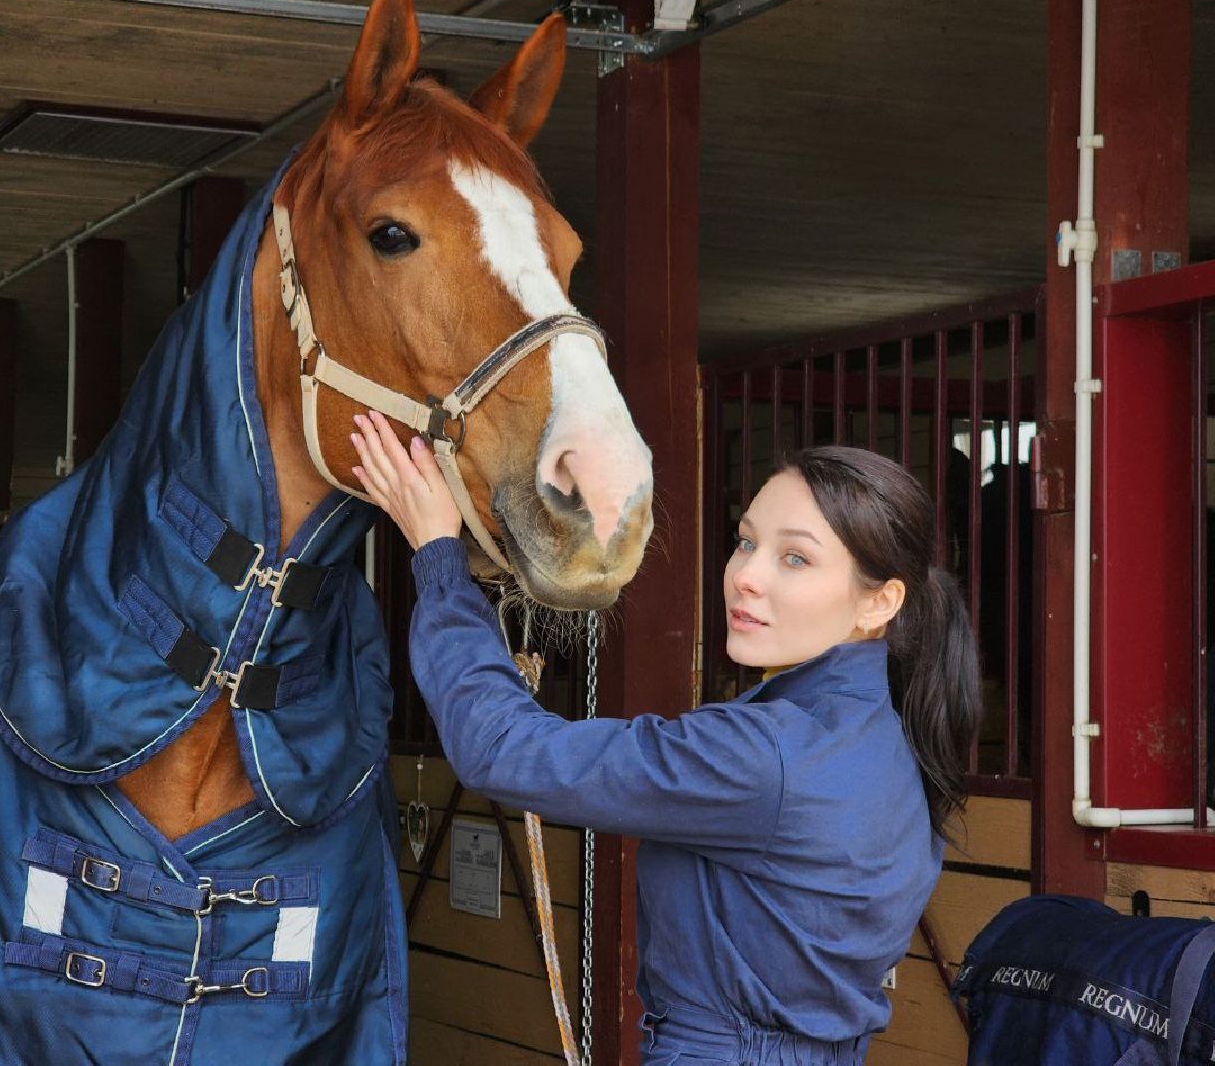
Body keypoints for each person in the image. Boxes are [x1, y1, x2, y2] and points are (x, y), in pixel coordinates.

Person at [350, 411, 980, 1065]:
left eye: (795, 557)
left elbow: (504, 749)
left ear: (878, 603)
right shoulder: (894, 734)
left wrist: (438, 558)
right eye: (745, 542)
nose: (747, 575)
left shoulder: (766, 756)